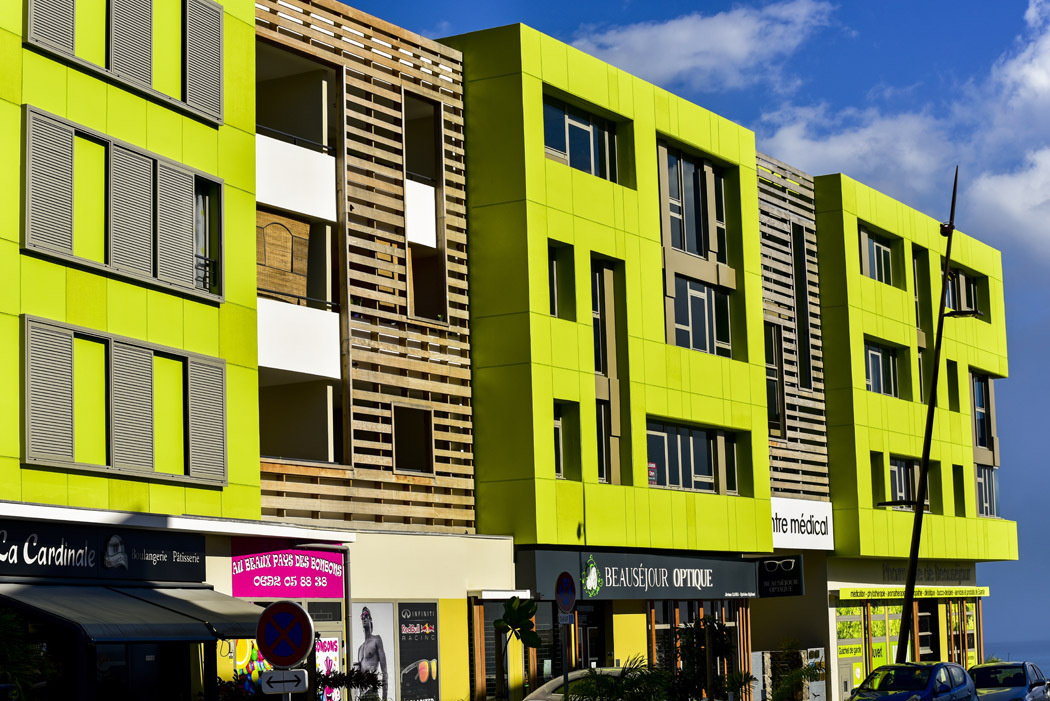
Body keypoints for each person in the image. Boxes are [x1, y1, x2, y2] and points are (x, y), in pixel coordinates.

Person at [356, 606, 388, 700]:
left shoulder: (376, 640)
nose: (364, 618)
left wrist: (384, 698)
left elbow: (384, 671)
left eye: (366, 615)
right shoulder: (360, 648)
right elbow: (358, 676)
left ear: (370, 619)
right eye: (362, 616)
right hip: (362, 694)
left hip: (372, 691)